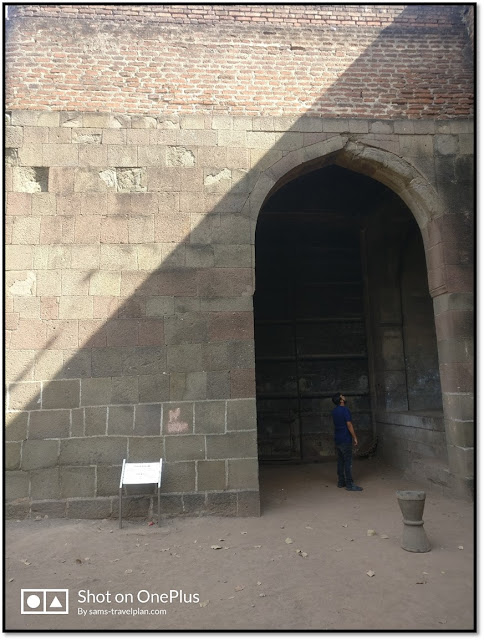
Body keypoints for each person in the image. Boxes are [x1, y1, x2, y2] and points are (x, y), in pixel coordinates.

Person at [331, 392, 363, 491]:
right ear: (341, 400)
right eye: (342, 396)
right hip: (345, 439)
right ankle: (349, 484)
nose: (344, 396)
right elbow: (349, 425)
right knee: (348, 462)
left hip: (338, 439)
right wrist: (355, 437)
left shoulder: (334, 411)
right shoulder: (345, 410)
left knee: (340, 461)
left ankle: (341, 482)